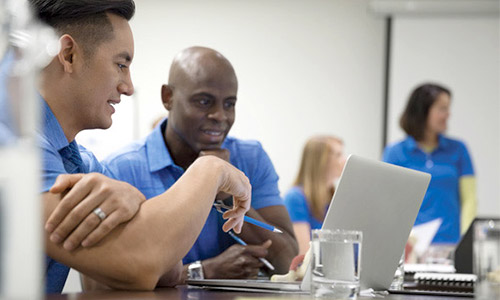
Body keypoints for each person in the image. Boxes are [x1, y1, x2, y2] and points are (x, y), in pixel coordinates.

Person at [32, 0, 251, 293]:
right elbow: (141, 264)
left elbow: (165, 267)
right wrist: (210, 169)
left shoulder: (83, 164)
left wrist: (132, 198)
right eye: (121, 65)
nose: (129, 86)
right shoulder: (15, 145)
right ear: (68, 55)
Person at [101, 46, 298, 282]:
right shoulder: (122, 168)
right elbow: (102, 280)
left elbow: (287, 261)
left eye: (229, 104)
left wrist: (225, 194)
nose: (220, 116)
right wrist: (203, 272)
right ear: (168, 98)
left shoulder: (251, 158)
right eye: (204, 102)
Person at [383, 83, 477, 244]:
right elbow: (388, 204)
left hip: (450, 244)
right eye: (442, 109)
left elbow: (470, 200)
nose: (448, 114)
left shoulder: (459, 150)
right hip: (410, 247)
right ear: (422, 111)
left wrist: (466, 241)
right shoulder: (395, 153)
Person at [284, 135, 345, 255]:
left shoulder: (335, 197)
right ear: (321, 160)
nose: (344, 160)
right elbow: (304, 255)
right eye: (338, 155)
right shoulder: (295, 198)